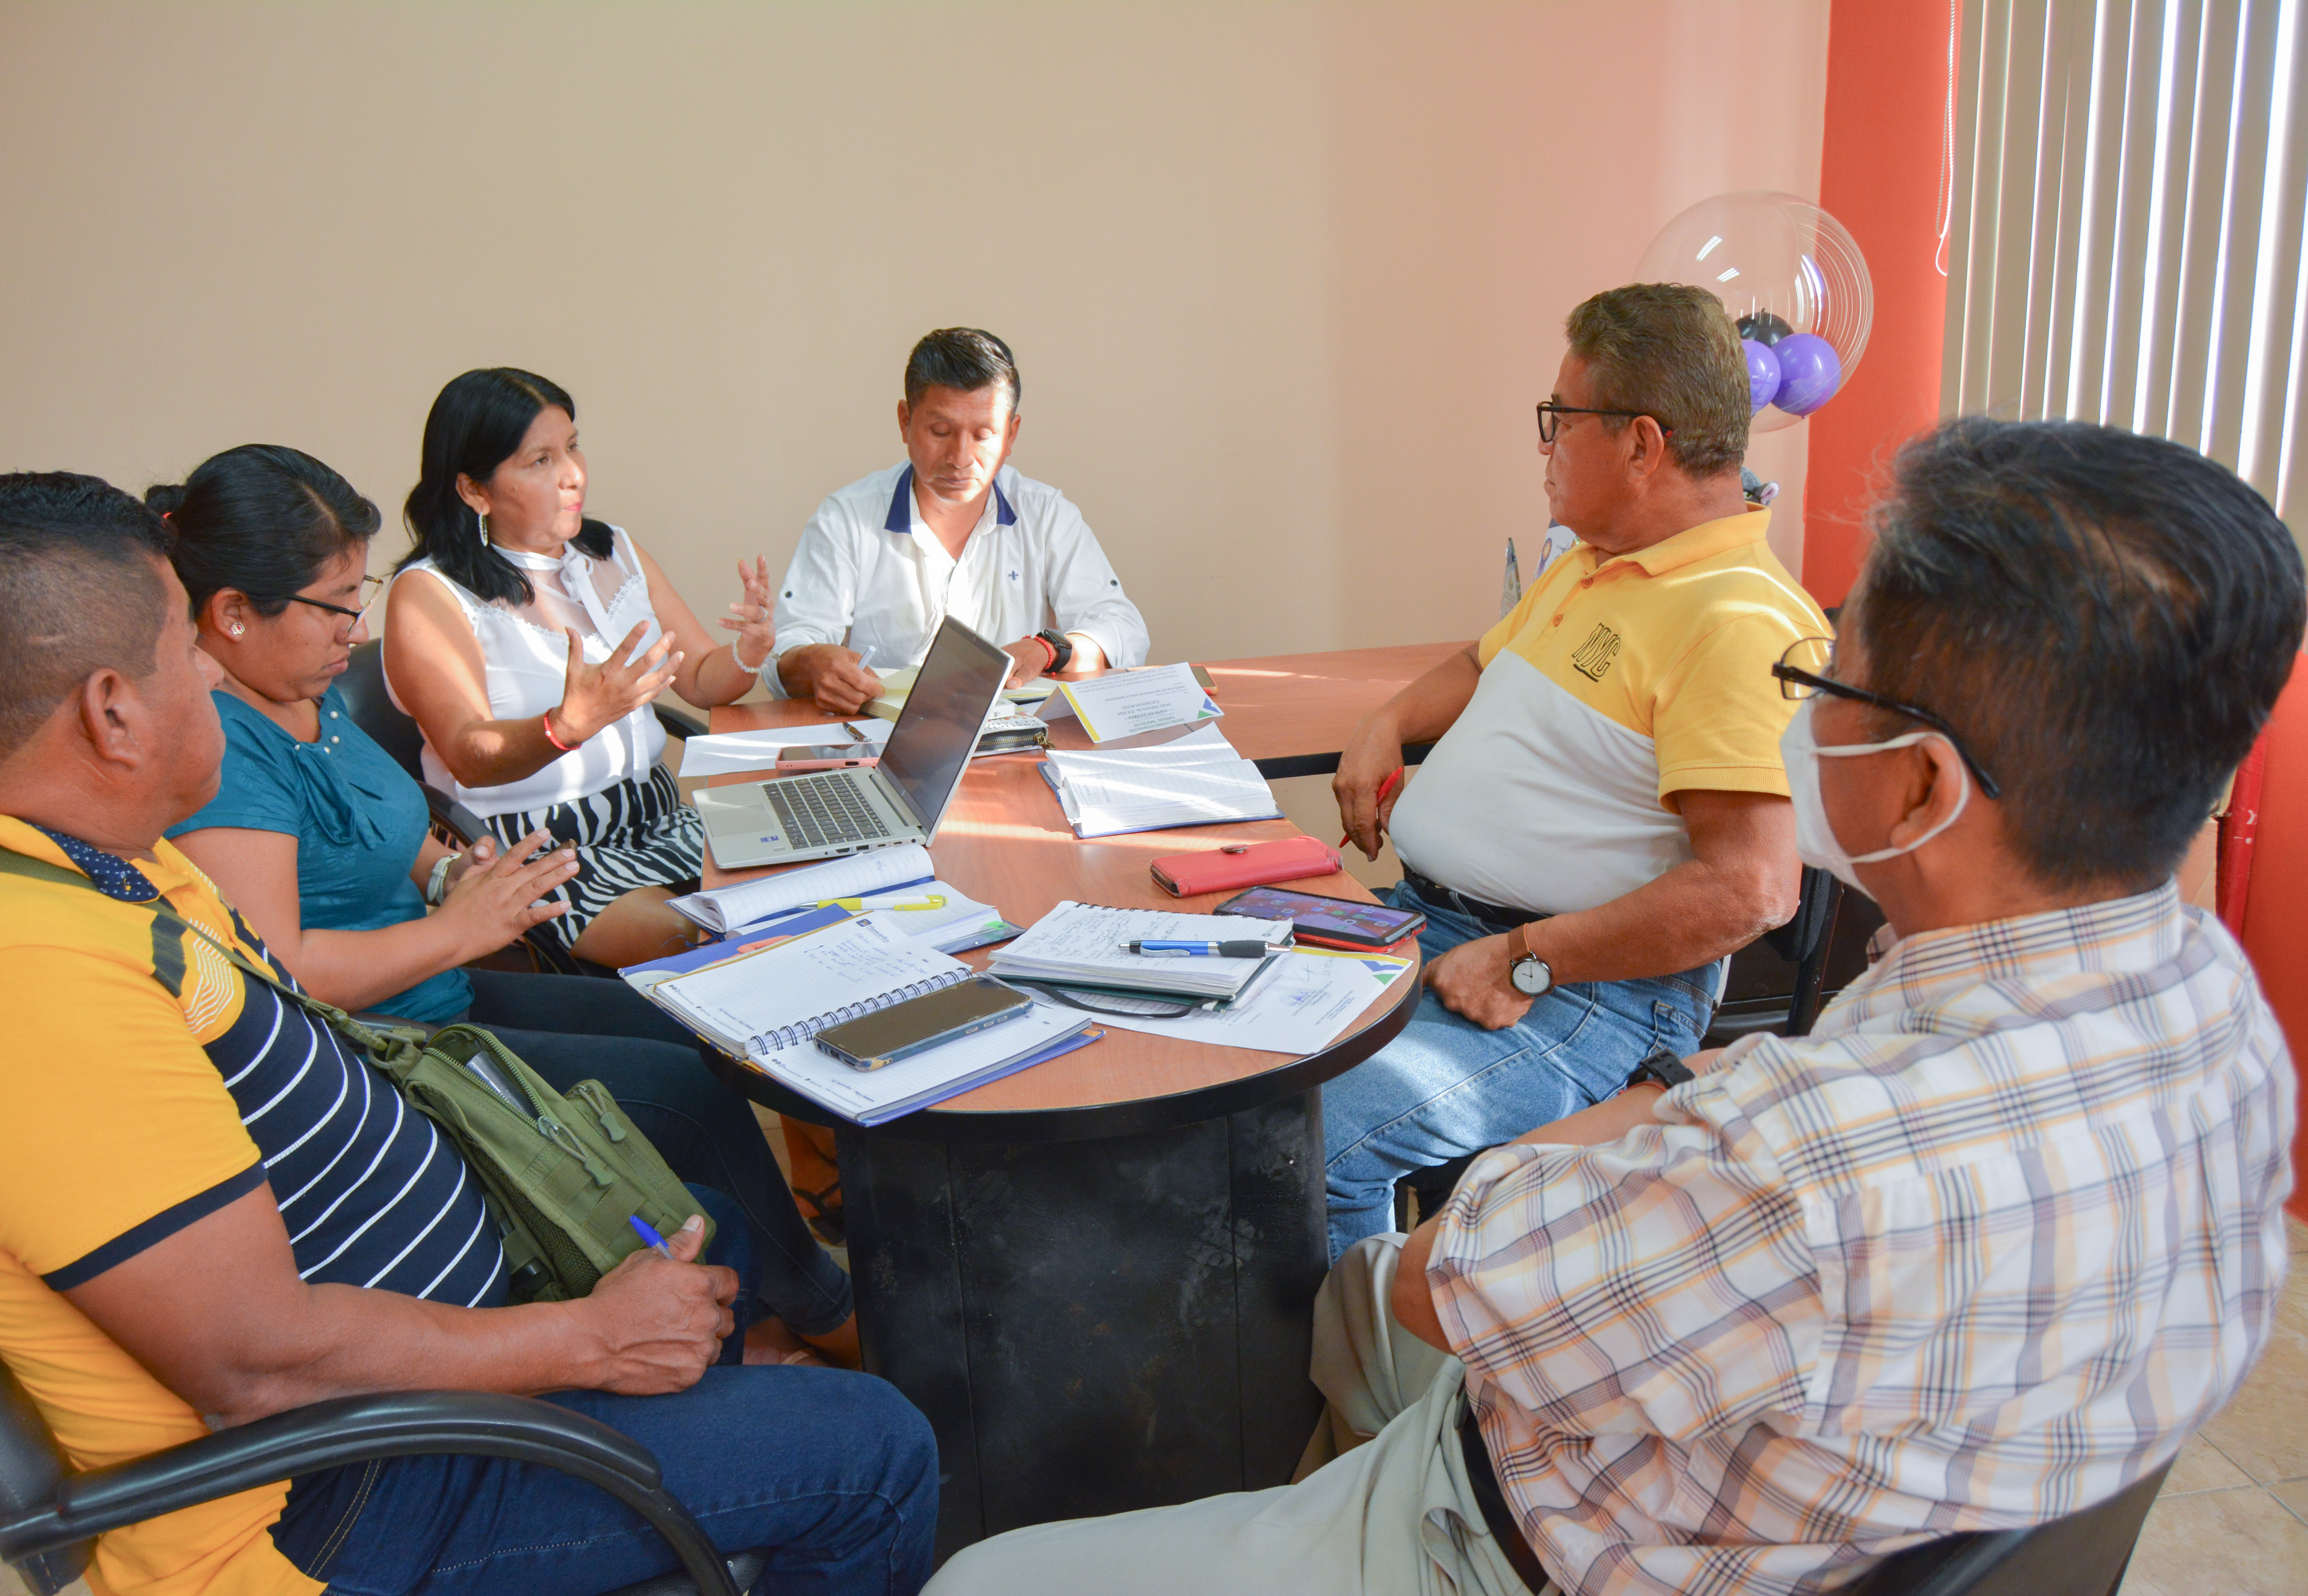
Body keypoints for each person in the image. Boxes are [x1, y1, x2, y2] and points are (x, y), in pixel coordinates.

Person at [923, 416, 2301, 1596]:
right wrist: (1681, 1110)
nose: (1802, 718)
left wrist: (1632, 1107)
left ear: (1923, 786)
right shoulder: (2223, 1016)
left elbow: (1445, 1282)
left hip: (1521, 1534)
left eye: (1829, 679)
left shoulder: (1799, 1170)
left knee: (983, 1574)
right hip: (1798, 1488)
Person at [0, 472, 938, 1596]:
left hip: (421, 1353)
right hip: (338, 1487)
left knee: (713, 1229)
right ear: (111, 713)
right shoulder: (4, 971)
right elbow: (257, 1365)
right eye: (180, 647)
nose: (209, 670)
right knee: (876, 1449)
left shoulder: (97, 864)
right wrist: (588, 1339)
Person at [155, 443, 857, 1365]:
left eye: (359, 595)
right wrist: (459, 931)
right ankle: (820, 1306)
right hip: (388, 1042)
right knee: (694, 1095)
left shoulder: (302, 693)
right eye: (335, 605)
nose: (353, 631)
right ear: (233, 613)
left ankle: (759, 1289)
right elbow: (279, 973)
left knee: (695, 1026)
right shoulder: (226, 751)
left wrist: (451, 878)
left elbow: (386, 820)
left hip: (435, 981)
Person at [1321, 283, 1826, 1258]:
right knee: (1228, 1047)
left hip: (1587, 989)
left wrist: (1528, 957)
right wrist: (1387, 722)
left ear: (1641, 445)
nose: (1544, 444)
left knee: (1316, 1134)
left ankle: (1367, 1359)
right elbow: (1480, 664)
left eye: (1560, 417)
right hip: (1439, 922)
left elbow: (1753, 888)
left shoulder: (1739, 621)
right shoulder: (1594, 560)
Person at [385, 367, 774, 969]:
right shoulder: (430, 593)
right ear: (474, 490)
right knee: (719, 943)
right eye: (540, 461)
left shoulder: (612, 549)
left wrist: (749, 649)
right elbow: (468, 753)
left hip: (659, 817)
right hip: (539, 852)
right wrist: (566, 727)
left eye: (572, 447)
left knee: (813, 888)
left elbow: (700, 677)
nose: (573, 474)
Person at [763, 327, 1151, 714]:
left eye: (984, 435)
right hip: (881, 737)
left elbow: (1123, 628)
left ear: (1011, 434)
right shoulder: (846, 517)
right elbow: (786, 650)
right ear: (904, 421)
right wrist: (814, 663)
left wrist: (1046, 649)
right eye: (941, 431)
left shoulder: (1046, 514)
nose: (961, 458)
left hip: (1013, 736)